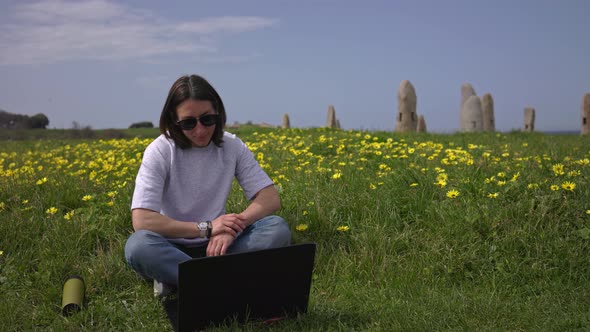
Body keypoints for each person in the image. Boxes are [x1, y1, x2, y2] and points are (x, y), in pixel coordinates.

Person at [124, 74, 291, 297]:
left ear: (218, 115)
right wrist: (208, 227)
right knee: (138, 246)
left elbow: (270, 198)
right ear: (174, 121)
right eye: (188, 123)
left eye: (207, 119)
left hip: (220, 246)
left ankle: (184, 278)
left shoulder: (232, 145)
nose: (200, 130)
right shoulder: (160, 150)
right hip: (170, 245)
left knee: (276, 228)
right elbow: (142, 220)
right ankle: (223, 279)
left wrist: (231, 229)